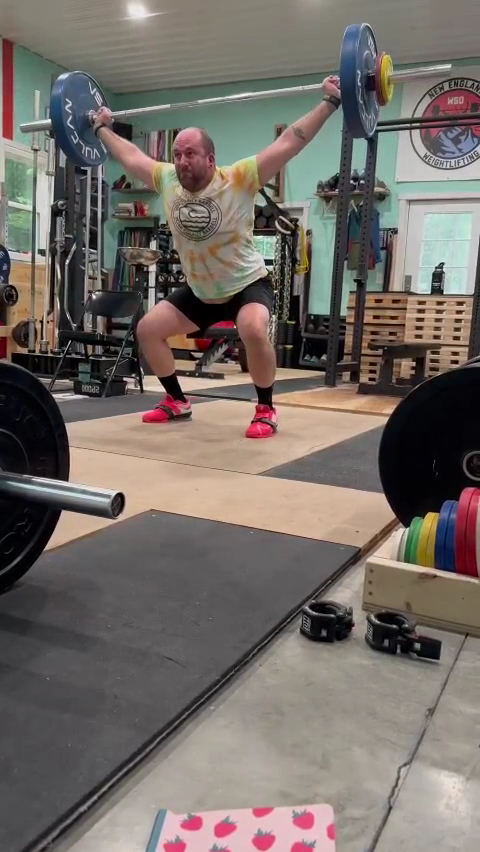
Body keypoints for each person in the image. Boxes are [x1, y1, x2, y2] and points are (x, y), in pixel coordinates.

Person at [93, 76, 341, 438]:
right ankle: (177, 401)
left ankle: (266, 408)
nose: (181, 161)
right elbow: (131, 156)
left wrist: (330, 103)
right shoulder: (166, 179)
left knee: (252, 329)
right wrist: (101, 128)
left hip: (246, 284)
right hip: (201, 291)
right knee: (147, 330)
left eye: (190, 154)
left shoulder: (239, 177)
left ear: (210, 159)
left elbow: (291, 141)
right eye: (177, 154)